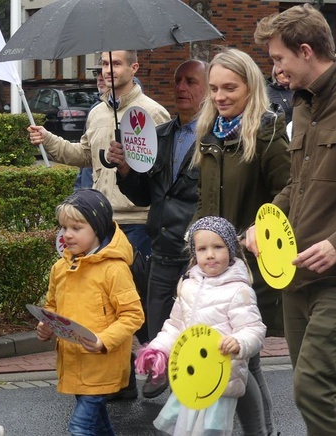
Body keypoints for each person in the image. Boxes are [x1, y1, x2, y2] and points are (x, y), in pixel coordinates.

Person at [252, 4, 336, 434]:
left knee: (310, 386)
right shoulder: (302, 105)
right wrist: (263, 223)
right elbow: (298, 184)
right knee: (319, 389)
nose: (276, 70)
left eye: (278, 59)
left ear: (306, 51)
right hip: (298, 278)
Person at [29, 50, 169, 399]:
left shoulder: (151, 112)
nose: (107, 70)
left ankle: (155, 363)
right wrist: (47, 139)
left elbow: (162, 173)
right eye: (105, 64)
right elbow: (83, 156)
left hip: (137, 222)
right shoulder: (96, 112)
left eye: (116, 64)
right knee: (102, 303)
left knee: (134, 300)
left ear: (134, 68)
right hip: (101, 223)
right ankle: (120, 382)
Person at [191, 48, 289, 436]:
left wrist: (255, 232)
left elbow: (289, 192)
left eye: (230, 87)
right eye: (213, 88)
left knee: (246, 362)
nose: (220, 96)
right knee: (240, 364)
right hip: (214, 264)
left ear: (251, 86)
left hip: (253, 267)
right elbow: (205, 201)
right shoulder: (208, 133)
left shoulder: (266, 131)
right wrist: (196, 246)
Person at [108, 59, 207, 399]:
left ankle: (191, 392)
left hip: (198, 252)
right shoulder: (160, 135)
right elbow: (142, 194)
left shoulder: (216, 138)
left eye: (191, 81)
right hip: (162, 245)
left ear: (207, 89)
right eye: (178, 80)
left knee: (197, 324)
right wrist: (124, 169)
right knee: (158, 321)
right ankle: (161, 369)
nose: (181, 88)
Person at [135, 216, 266, 436]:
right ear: (194, 253)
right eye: (202, 249)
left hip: (219, 380)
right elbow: (175, 326)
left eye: (218, 247)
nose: (210, 254)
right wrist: (157, 349)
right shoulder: (188, 285)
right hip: (192, 377)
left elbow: (254, 329)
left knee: (210, 431)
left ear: (231, 249)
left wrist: (239, 342)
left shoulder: (238, 290)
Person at [36, 188, 144, 436]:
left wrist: (103, 340)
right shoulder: (60, 268)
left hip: (102, 363)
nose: (67, 235)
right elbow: (52, 308)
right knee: (99, 425)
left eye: (76, 228)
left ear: (97, 228)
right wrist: (45, 326)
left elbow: (133, 314)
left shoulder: (114, 269)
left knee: (80, 427)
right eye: (64, 228)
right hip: (74, 362)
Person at [73, 61, 108, 191]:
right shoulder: (95, 109)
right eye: (97, 73)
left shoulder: (137, 110)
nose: (99, 78)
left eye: (104, 71)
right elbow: (87, 151)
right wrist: (80, 188)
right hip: (90, 189)